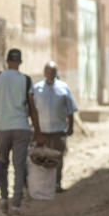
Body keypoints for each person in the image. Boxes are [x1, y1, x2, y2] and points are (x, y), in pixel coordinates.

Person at [0, 48, 36, 216]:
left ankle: (4, 199)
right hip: (22, 128)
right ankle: (16, 206)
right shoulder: (26, 80)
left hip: (3, 128)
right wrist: (38, 129)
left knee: (2, 165)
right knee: (19, 166)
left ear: (7, 61)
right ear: (20, 62)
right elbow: (32, 107)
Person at [30, 61, 78, 193]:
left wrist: (71, 126)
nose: (50, 74)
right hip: (42, 132)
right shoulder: (37, 89)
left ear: (57, 73)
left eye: (53, 72)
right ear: (44, 73)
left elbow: (70, 109)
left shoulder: (63, 88)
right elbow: (32, 110)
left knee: (57, 158)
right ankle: (44, 185)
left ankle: (57, 183)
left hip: (58, 131)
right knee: (42, 159)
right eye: (48, 71)